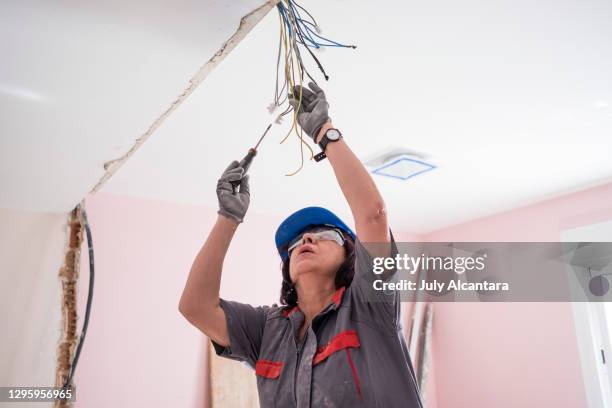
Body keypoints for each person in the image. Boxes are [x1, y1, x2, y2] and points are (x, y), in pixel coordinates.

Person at [179, 83, 423, 407]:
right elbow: (195, 306)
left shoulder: (368, 305)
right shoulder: (267, 331)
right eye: (295, 242)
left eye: (325, 235)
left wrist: (325, 132)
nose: (306, 239)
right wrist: (228, 216)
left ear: (350, 256)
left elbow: (373, 214)